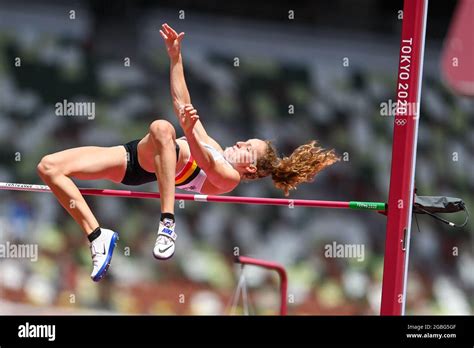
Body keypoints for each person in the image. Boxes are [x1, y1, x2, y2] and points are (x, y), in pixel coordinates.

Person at [36, 23, 340, 282]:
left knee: (162, 127)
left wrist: (190, 127)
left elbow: (201, 156)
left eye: (248, 149)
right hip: (130, 158)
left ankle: (167, 223)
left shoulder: (228, 178)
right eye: (245, 140)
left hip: (152, 161)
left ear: (252, 170)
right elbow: (183, 101)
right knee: (48, 167)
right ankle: (97, 236)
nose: (240, 144)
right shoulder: (216, 146)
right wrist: (175, 57)